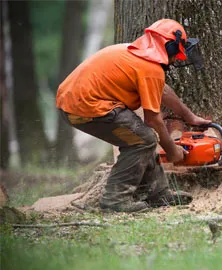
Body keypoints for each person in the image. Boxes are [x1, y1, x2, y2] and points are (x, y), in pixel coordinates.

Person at [56, 19, 210, 213]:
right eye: (177, 52)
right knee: (143, 139)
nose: (178, 58)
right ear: (170, 47)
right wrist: (172, 150)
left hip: (72, 104)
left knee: (141, 137)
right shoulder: (150, 69)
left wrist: (190, 117)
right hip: (85, 108)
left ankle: (156, 192)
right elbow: (153, 120)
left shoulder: (135, 55)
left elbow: (162, 90)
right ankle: (115, 200)